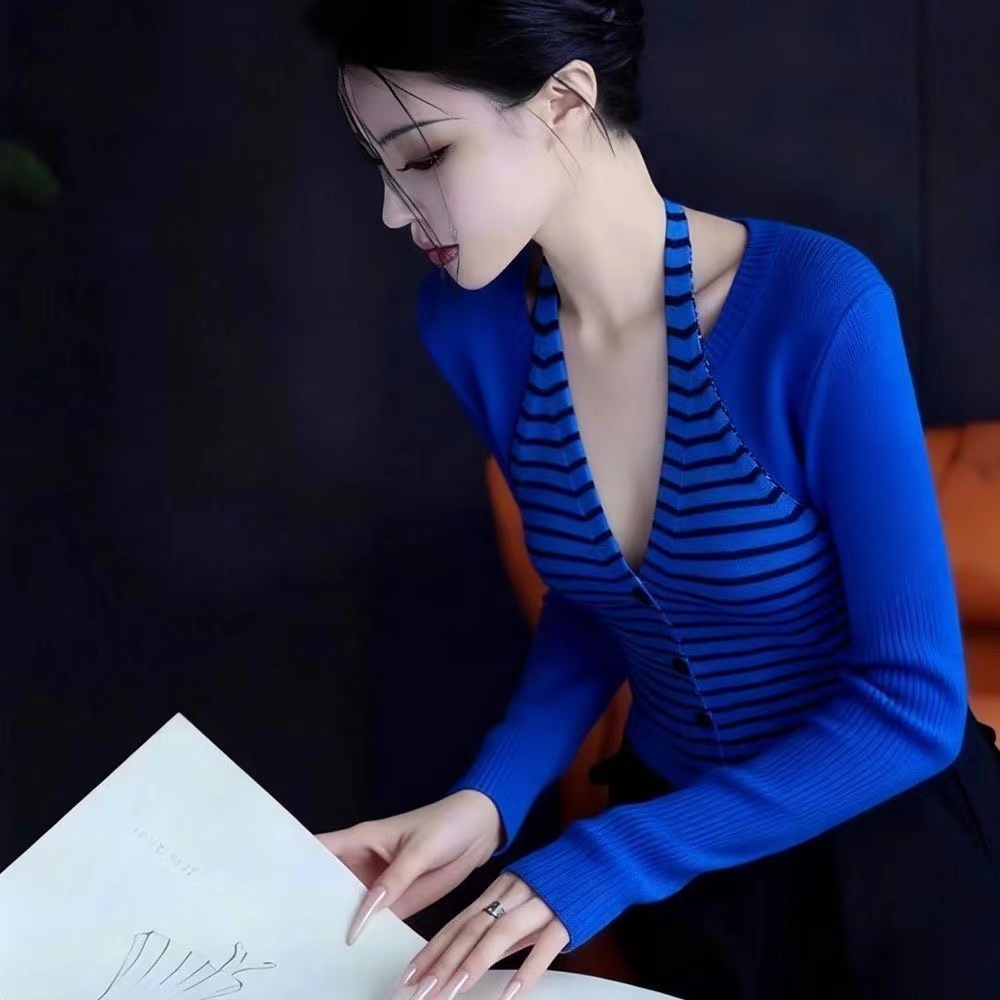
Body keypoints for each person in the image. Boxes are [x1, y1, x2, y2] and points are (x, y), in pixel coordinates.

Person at [302, 2, 1000, 999]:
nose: (390, 209)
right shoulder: (469, 326)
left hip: (892, 865)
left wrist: (608, 856)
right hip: (686, 885)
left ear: (564, 98)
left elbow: (915, 704)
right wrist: (489, 799)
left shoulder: (820, 306)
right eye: (379, 164)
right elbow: (597, 602)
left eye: (423, 156)